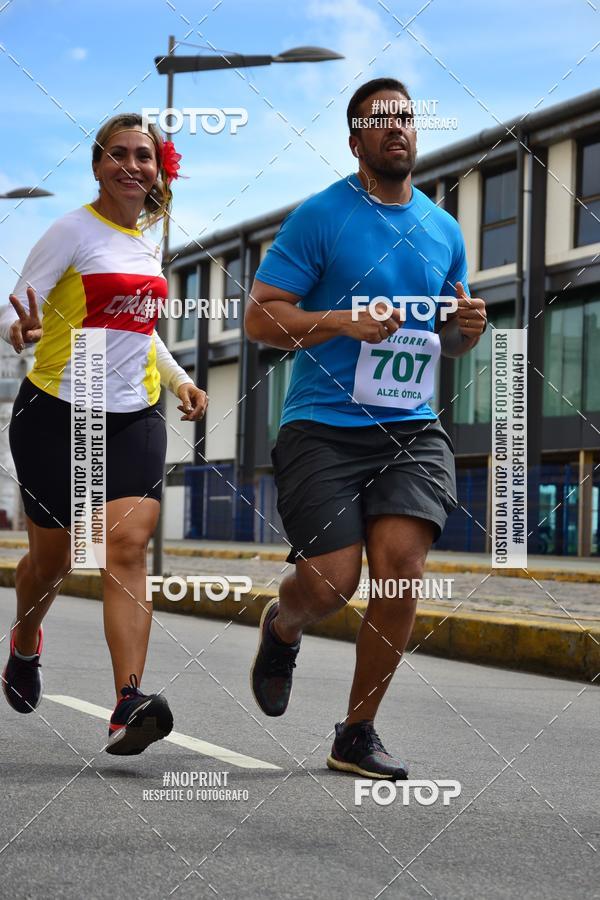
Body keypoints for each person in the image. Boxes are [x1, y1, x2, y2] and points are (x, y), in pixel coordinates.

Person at [245, 78, 487, 779]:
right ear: (355, 141)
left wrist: (465, 328)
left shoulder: (443, 230)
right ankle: (283, 626)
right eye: (381, 122)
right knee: (329, 586)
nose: (397, 130)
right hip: (321, 425)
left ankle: (356, 731)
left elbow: (451, 339)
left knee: (403, 569)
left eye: (406, 119)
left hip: (410, 428)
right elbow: (261, 318)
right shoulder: (321, 217)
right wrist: (342, 321)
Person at [1, 113, 208, 756]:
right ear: (96, 167)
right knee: (55, 560)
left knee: (126, 547)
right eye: (116, 154)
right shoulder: (70, 230)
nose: (130, 165)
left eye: (142, 156)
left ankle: (127, 702)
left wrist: (178, 383)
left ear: (157, 170)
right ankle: (26, 639)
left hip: (132, 414)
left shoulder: (149, 243)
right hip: (57, 409)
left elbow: (141, 332)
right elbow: (17, 309)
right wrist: (22, 334)